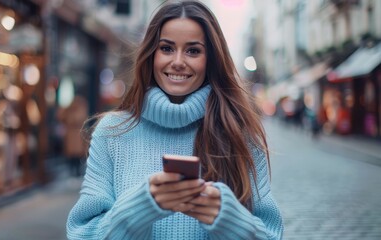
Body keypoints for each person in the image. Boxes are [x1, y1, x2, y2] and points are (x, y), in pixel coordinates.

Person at [66, 1, 284, 239]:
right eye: (167, 48)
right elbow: (82, 234)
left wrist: (228, 218)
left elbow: (271, 235)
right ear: (151, 54)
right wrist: (141, 207)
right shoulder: (111, 133)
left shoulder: (239, 133)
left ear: (210, 59)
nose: (178, 61)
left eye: (193, 50)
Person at [57, 95, 89, 177]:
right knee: (72, 155)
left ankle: (77, 171)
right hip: (71, 135)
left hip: (77, 135)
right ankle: (73, 171)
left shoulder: (80, 109)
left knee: (78, 155)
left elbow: (79, 119)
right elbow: (60, 116)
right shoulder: (69, 109)